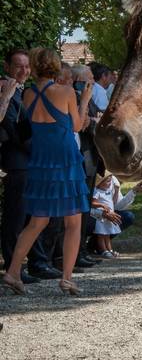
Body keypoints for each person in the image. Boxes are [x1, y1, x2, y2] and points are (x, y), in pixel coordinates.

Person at [1, 48, 91, 296]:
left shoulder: (28, 94)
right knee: (73, 222)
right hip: (64, 160)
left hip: (40, 161)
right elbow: (77, 125)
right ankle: (67, 279)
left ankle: (13, 272)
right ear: (54, 66)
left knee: (36, 221)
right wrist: (84, 100)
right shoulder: (65, 92)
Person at [1, 49, 60, 285]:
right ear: (7, 67)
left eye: (27, 66)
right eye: (18, 66)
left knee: (31, 216)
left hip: (28, 160)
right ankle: (14, 266)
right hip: (17, 163)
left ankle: (35, 262)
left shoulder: (20, 91)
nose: (24, 70)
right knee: (15, 219)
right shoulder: (6, 90)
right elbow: (15, 132)